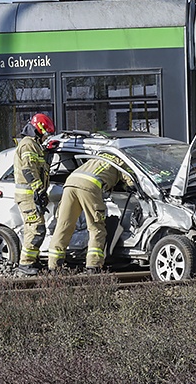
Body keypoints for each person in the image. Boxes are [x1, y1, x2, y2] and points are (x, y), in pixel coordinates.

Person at [47, 153, 133, 274]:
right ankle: (93, 265)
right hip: (90, 186)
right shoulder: (122, 159)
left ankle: (54, 267)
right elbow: (131, 180)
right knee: (96, 226)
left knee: (63, 226)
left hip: (70, 183)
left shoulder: (99, 156)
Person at [13, 113, 56, 275]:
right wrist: (39, 190)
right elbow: (29, 169)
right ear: (39, 130)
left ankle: (33, 260)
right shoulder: (28, 144)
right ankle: (26, 264)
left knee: (33, 228)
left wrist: (48, 153)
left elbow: (38, 167)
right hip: (28, 195)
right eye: (45, 135)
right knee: (36, 228)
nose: (46, 138)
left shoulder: (34, 145)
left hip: (31, 194)